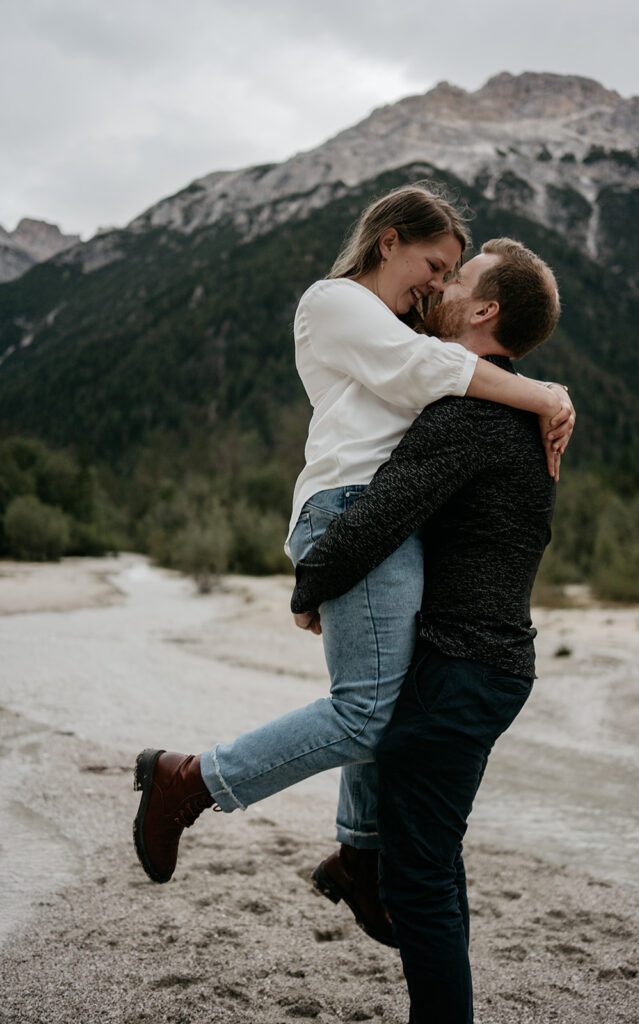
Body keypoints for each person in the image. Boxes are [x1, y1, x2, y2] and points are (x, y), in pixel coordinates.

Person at [133, 186, 574, 947]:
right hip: (349, 513)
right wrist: (543, 392)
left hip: (374, 522)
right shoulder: (334, 302)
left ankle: (358, 856)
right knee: (366, 711)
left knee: (388, 709)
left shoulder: (400, 324)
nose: (437, 282)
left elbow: (436, 372)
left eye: (450, 275)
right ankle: (191, 780)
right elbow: (422, 370)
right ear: (388, 241)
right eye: (433, 264)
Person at [290, 238, 562, 1022]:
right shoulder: (507, 403)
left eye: (458, 279)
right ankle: (356, 859)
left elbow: (381, 510)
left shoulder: (472, 412)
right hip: (481, 666)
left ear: (484, 311)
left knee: (421, 880)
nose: (438, 289)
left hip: (463, 671)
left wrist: (311, 585)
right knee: (432, 865)